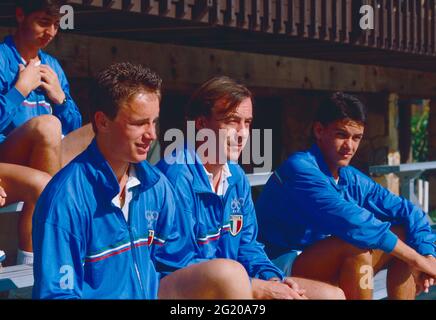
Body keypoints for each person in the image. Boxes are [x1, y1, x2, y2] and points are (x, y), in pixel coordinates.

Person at [32, 63, 253, 299]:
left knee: (230, 274)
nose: (152, 135)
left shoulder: (156, 186)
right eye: (139, 123)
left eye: (154, 122)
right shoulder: (65, 197)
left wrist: (256, 282)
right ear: (103, 122)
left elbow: (176, 262)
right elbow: (57, 294)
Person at [154, 76, 345, 299]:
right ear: (201, 123)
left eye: (247, 122)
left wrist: (271, 278)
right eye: (232, 121)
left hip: (235, 283)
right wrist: (254, 286)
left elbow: (247, 245)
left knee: (332, 296)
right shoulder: (175, 177)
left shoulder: (236, 176)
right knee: (230, 274)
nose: (242, 133)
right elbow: (178, 263)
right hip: (183, 292)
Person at [255, 92, 436, 299]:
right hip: (278, 264)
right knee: (356, 244)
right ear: (319, 130)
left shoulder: (350, 178)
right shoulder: (300, 169)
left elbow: (408, 210)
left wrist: (427, 255)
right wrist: (417, 261)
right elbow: (354, 222)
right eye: (341, 135)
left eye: (356, 138)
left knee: (405, 232)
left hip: (324, 258)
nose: (349, 146)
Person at [0, 0, 93, 264]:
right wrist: (20, 89)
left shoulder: (52, 65)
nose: (51, 32)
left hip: (46, 160)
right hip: (8, 157)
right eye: (43, 22)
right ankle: (41, 256)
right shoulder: (2, 58)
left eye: (56, 24)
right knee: (48, 125)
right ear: (20, 15)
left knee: (103, 130)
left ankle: (103, 232)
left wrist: (60, 99)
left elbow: (74, 129)